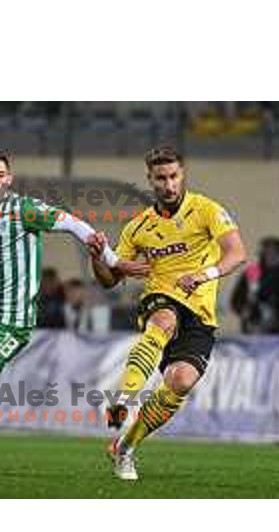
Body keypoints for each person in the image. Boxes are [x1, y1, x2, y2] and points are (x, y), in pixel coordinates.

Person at [0, 150, 148, 474]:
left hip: (9, 325)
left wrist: (112, 260)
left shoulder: (25, 210)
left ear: (9, 179)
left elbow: (74, 224)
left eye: (0, 175)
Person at [90, 145, 247, 481]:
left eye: (174, 176)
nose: (169, 184)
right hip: (161, 296)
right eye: (161, 178)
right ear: (150, 180)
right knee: (163, 320)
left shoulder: (206, 209)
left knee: (180, 381)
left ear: (183, 175)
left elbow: (237, 253)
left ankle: (126, 446)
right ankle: (124, 397)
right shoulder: (138, 227)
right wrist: (98, 258)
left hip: (201, 313)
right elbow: (110, 279)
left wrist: (204, 275)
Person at [231, 237, 279, 334]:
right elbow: (236, 300)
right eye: (266, 253)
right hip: (253, 329)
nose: (269, 257)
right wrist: (244, 310)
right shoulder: (252, 273)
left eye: (273, 253)